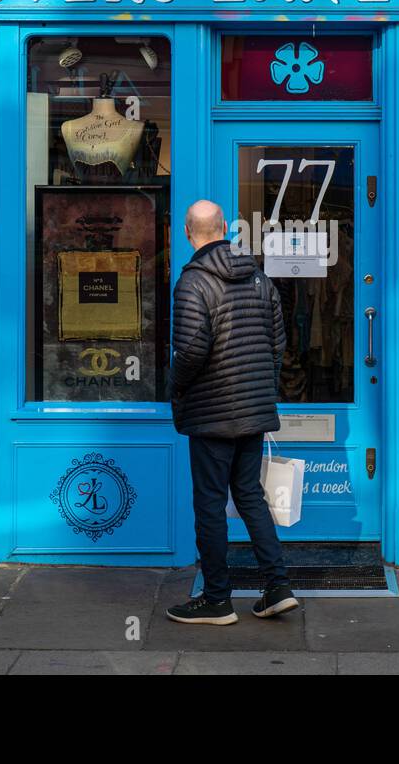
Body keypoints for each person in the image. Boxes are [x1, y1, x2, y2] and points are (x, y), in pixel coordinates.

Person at [166, 200, 299, 625]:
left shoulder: (192, 283)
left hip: (211, 411)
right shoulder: (259, 277)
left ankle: (217, 599)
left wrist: (176, 388)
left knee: (209, 503)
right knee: (249, 495)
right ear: (224, 227)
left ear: (189, 233)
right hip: (253, 408)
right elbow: (278, 343)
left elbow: (189, 352)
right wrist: (260, 384)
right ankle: (276, 586)